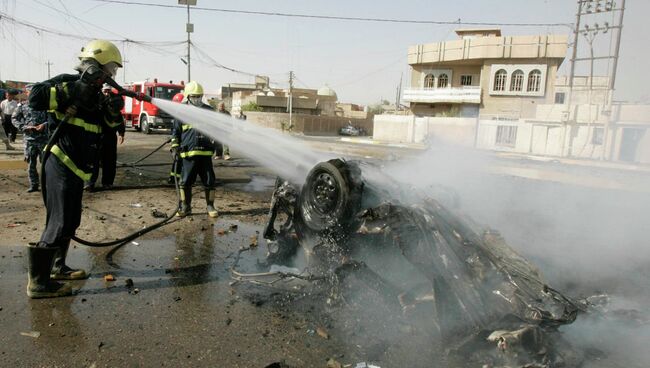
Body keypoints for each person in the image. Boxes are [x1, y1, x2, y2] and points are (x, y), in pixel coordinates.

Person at [26, 39, 125, 298]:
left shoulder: (97, 96)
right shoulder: (66, 81)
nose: (109, 77)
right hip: (60, 161)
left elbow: (110, 127)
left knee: (71, 220)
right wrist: (73, 90)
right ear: (94, 66)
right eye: (109, 71)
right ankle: (38, 283)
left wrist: (114, 111)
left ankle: (58, 267)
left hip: (78, 169)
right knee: (58, 222)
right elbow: (35, 97)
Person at [171, 81, 219, 218]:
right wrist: (174, 147)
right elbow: (175, 132)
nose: (197, 99)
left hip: (205, 154)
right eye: (194, 96)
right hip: (188, 154)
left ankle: (210, 206)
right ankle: (186, 207)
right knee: (185, 182)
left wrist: (217, 142)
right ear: (187, 96)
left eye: (199, 96)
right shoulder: (181, 111)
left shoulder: (209, 111)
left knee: (209, 181)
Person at [85, 84, 125, 191]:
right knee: (93, 161)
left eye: (108, 91)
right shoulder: (98, 104)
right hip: (97, 137)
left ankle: (107, 183)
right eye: (105, 91)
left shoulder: (115, 105)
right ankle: (90, 183)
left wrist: (121, 134)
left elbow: (120, 121)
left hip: (110, 139)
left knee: (110, 161)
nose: (107, 93)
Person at [12, 84, 49, 192]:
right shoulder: (22, 106)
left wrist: (44, 125)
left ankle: (47, 184)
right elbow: (14, 119)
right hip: (29, 139)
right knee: (31, 164)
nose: (32, 94)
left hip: (43, 138)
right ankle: (34, 184)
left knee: (46, 164)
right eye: (29, 92)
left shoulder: (45, 105)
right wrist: (25, 127)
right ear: (27, 93)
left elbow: (52, 118)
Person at [168, 92, 185, 184]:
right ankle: (173, 178)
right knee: (178, 161)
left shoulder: (182, 114)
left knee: (180, 161)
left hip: (184, 143)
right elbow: (176, 130)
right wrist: (174, 145)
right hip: (180, 142)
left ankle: (174, 179)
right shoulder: (179, 113)